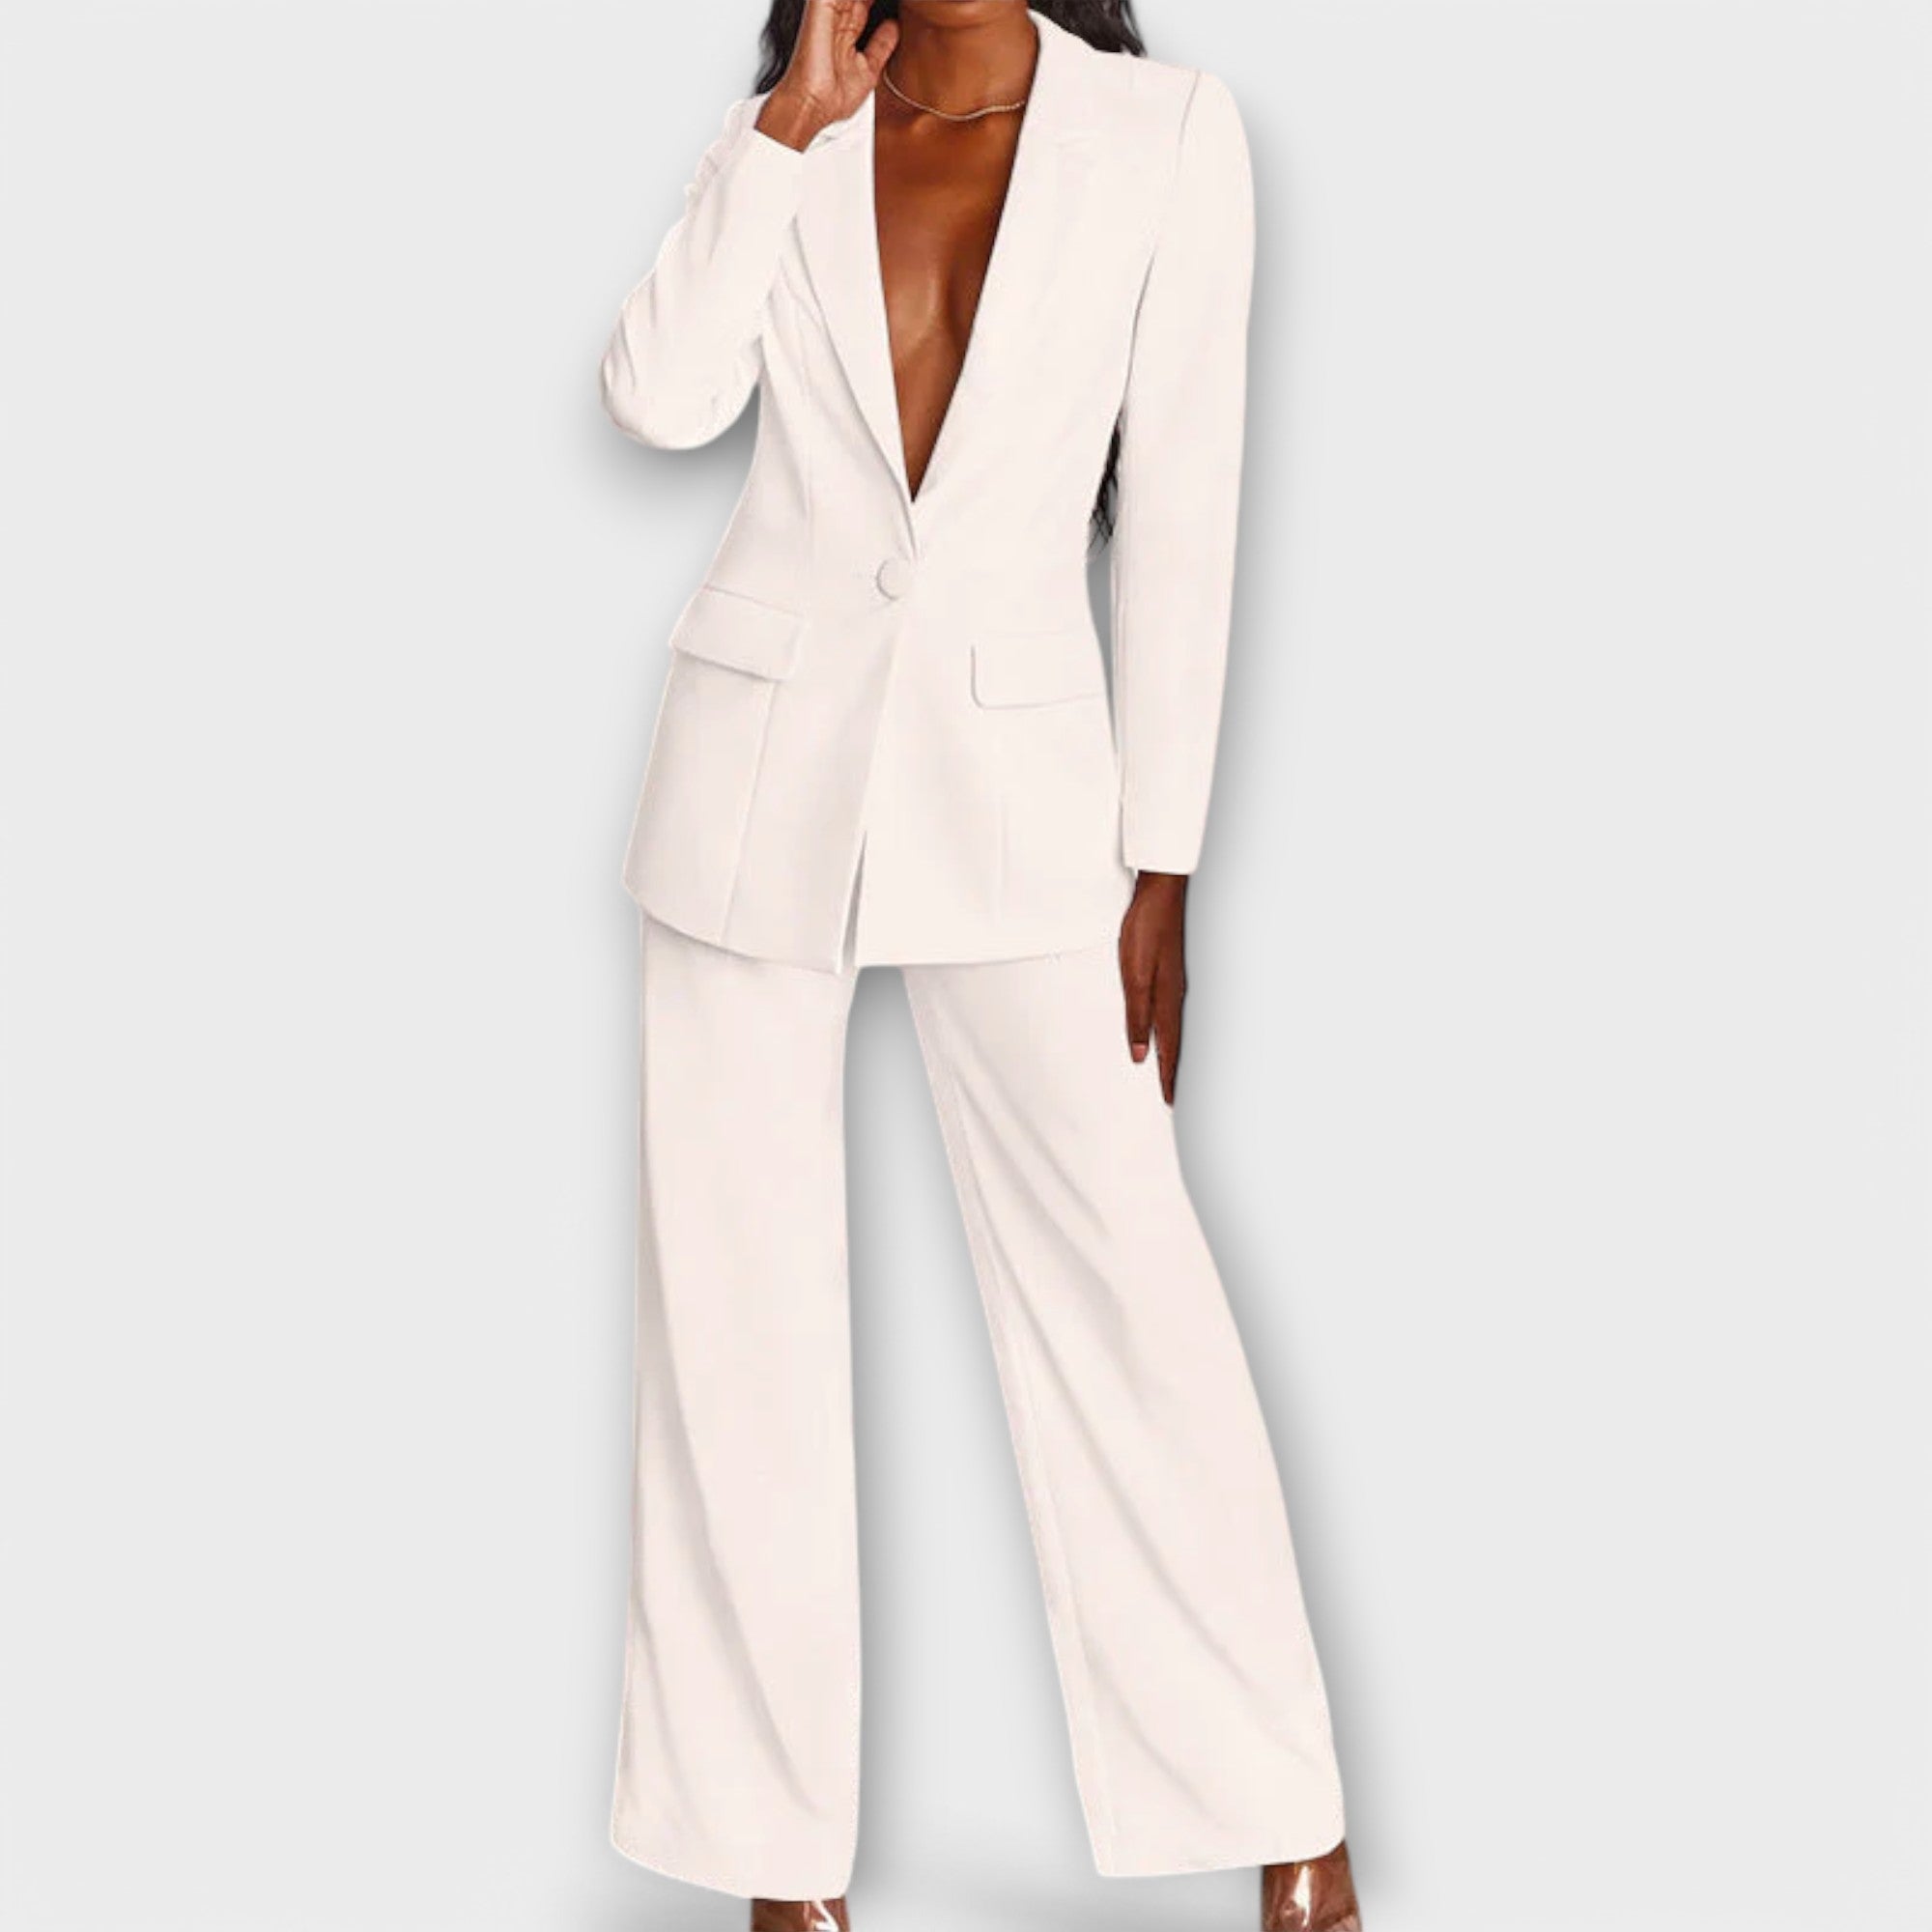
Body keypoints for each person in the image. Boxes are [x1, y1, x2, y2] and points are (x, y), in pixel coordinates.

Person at [595, 4, 1363, 1927]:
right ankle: (768, 1858)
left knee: (1129, 1290)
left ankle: (1278, 1800)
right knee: (736, 1327)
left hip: (1025, 796)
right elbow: (659, 400)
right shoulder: (796, 129)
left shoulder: (1167, 135)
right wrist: (783, 132)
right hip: (755, 780)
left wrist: (1164, 859)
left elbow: (1182, 509)